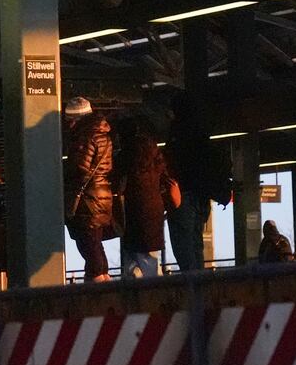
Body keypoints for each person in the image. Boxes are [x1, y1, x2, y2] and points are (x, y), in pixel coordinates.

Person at [164, 92, 228, 273]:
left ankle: (192, 286)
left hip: (182, 195)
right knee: (195, 243)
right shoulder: (201, 132)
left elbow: (172, 163)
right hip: (202, 196)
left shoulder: (178, 132)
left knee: (183, 245)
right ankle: (199, 287)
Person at [116, 116, 179, 279]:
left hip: (133, 212)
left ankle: (152, 295)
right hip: (154, 210)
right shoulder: (153, 151)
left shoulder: (125, 155)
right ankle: (150, 292)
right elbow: (165, 176)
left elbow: (117, 180)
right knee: (147, 257)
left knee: (139, 258)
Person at [63, 97, 116, 282]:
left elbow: (79, 167)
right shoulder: (103, 134)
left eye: (69, 120)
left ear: (76, 119)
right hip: (101, 194)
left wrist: (62, 173)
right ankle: (104, 283)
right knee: (95, 244)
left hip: (87, 198)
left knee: (89, 245)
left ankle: (98, 291)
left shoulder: (85, 136)